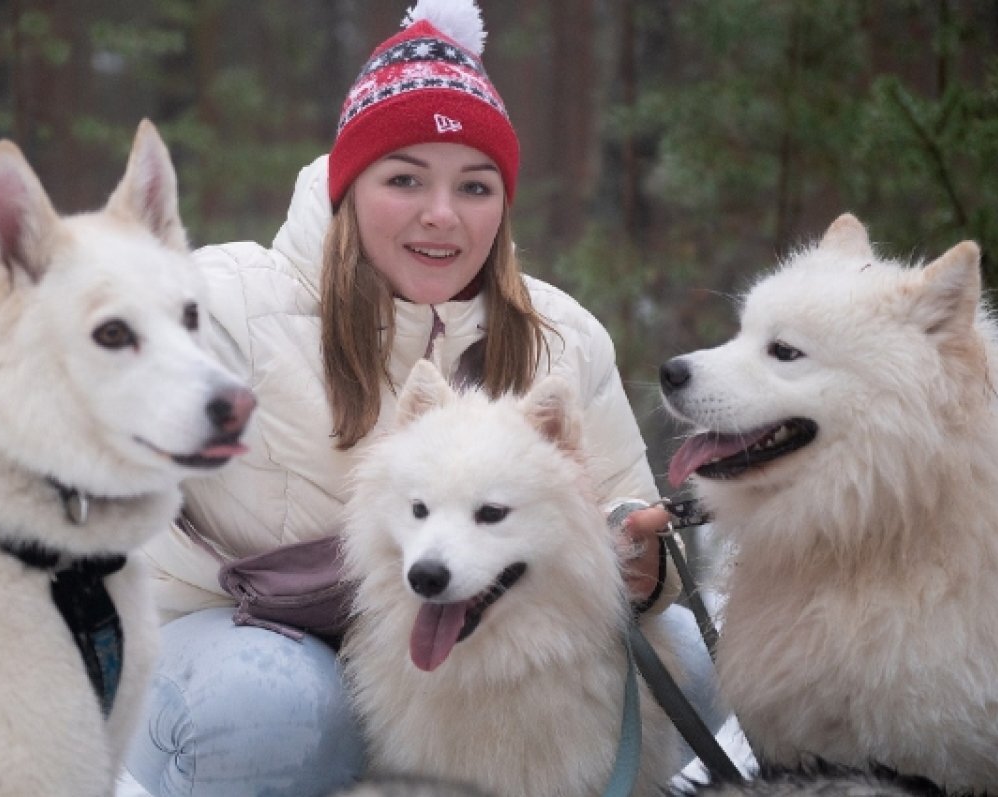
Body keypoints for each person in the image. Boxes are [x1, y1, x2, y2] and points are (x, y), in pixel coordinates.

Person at [123, 2, 718, 795]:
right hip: (225, 652)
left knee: (686, 658)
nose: (442, 215)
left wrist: (640, 562)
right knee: (280, 705)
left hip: (447, 636)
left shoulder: (560, 339)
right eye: (404, 178)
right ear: (348, 184)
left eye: (474, 186)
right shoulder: (227, 303)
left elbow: (624, 519)